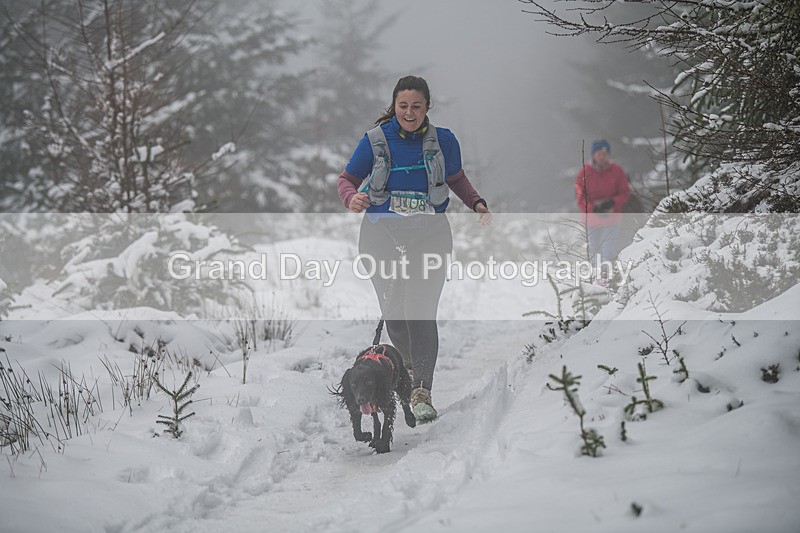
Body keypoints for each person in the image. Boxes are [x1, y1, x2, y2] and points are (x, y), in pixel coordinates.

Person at [337, 75, 491, 423]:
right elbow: (346, 179)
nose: (409, 112)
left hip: (429, 237)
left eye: (416, 106)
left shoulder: (444, 142)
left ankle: (421, 389)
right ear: (395, 107)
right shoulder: (375, 140)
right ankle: (406, 369)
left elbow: (455, 179)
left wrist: (476, 203)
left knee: (419, 311)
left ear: (426, 108)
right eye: (403, 106)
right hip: (381, 238)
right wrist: (352, 198)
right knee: (396, 316)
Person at [575, 139, 631, 280]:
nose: (602, 156)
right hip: (592, 220)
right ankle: (595, 280)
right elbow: (580, 197)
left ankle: (608, 279)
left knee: (608, 251)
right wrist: (593, 208)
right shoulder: (584, 173)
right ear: (593, 155)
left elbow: (625, 192)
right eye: (599, 153)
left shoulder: (617, 171)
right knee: (594, 252)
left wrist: (613, 202)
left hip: (612, 217)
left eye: (605, 153)